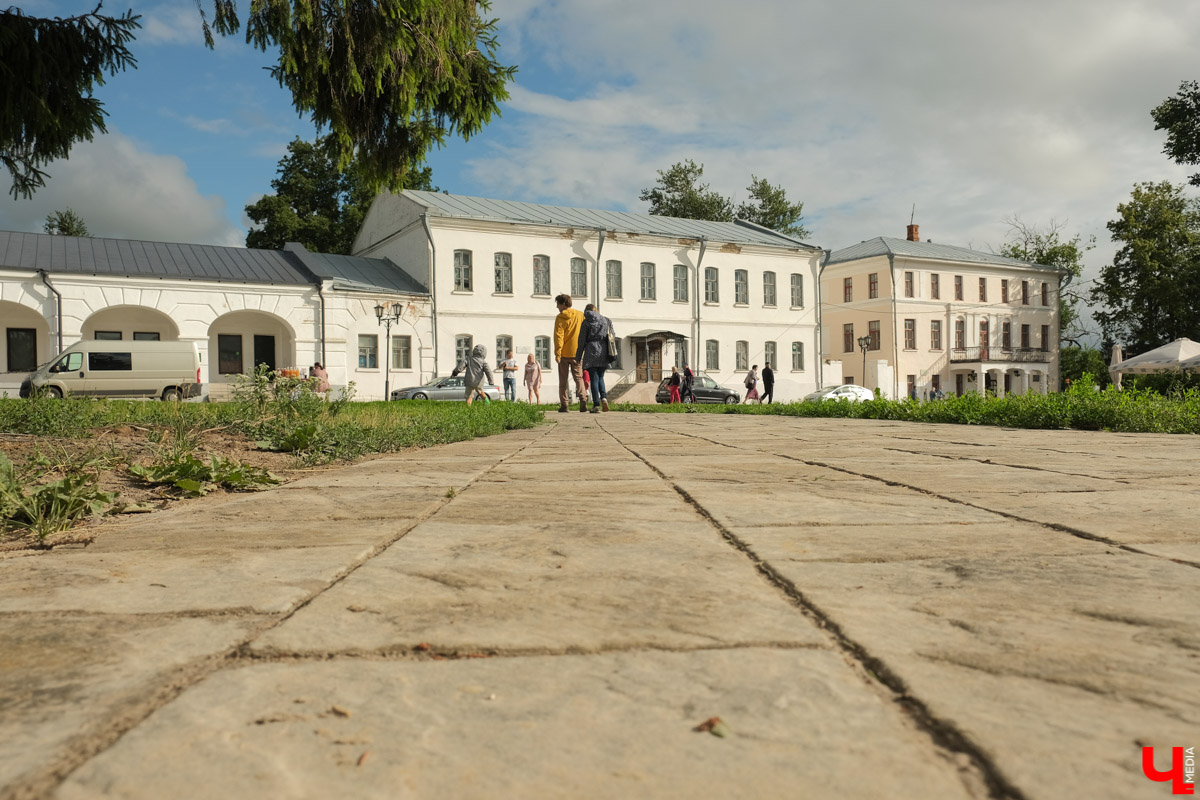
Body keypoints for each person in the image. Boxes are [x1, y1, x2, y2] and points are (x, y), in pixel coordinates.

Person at [576, 302, 615, 413]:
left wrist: (578, 356)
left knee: (594, 378)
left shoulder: (586, 322)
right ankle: (604, 398)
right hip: (603, 350)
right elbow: (613, 336)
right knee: (601, 377)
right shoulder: (606, 320)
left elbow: (581, 340)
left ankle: (596, 404)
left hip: (591, 350)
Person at [553, 293, 587, 413]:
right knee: (579, 378)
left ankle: (564, 404)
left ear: (563, 304)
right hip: (578, 352)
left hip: (564, 353)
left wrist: (557, 353)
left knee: (563, 380)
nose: (557, 307)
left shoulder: (560, 317)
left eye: (558, 304)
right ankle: (583, 399)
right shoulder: (580, 315)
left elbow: (559, 337)